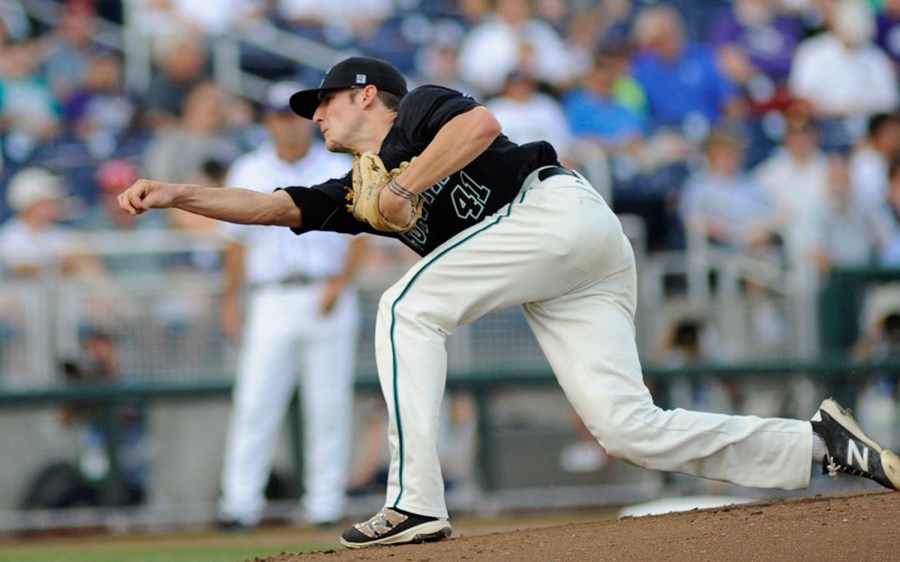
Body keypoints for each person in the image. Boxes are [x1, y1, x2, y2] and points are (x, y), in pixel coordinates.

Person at [117, 56, 900, 549]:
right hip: (567, 269)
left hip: (553, 214)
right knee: (628, 427)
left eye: (321, 102)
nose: (313, 115)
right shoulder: (356, 190)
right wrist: (178, 192)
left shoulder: (414, 108)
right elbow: (273, 205)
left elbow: (482, 125)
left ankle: (415, 503)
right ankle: (819, 445)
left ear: (366, 95)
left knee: (402, 310)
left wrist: (406, 183)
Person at [215, 82, 365, 531]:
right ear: (267, 121)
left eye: (294, 116)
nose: (287, 125)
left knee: (329, 403)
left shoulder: (337, 164)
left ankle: (325, 503)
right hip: (270, 295)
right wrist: (230, 299)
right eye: (278, 116)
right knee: (256, 401)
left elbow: (363, 230)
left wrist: (341, 282)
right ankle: (239, 504)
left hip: (327, 292)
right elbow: (234, 243)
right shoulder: (249, 168)